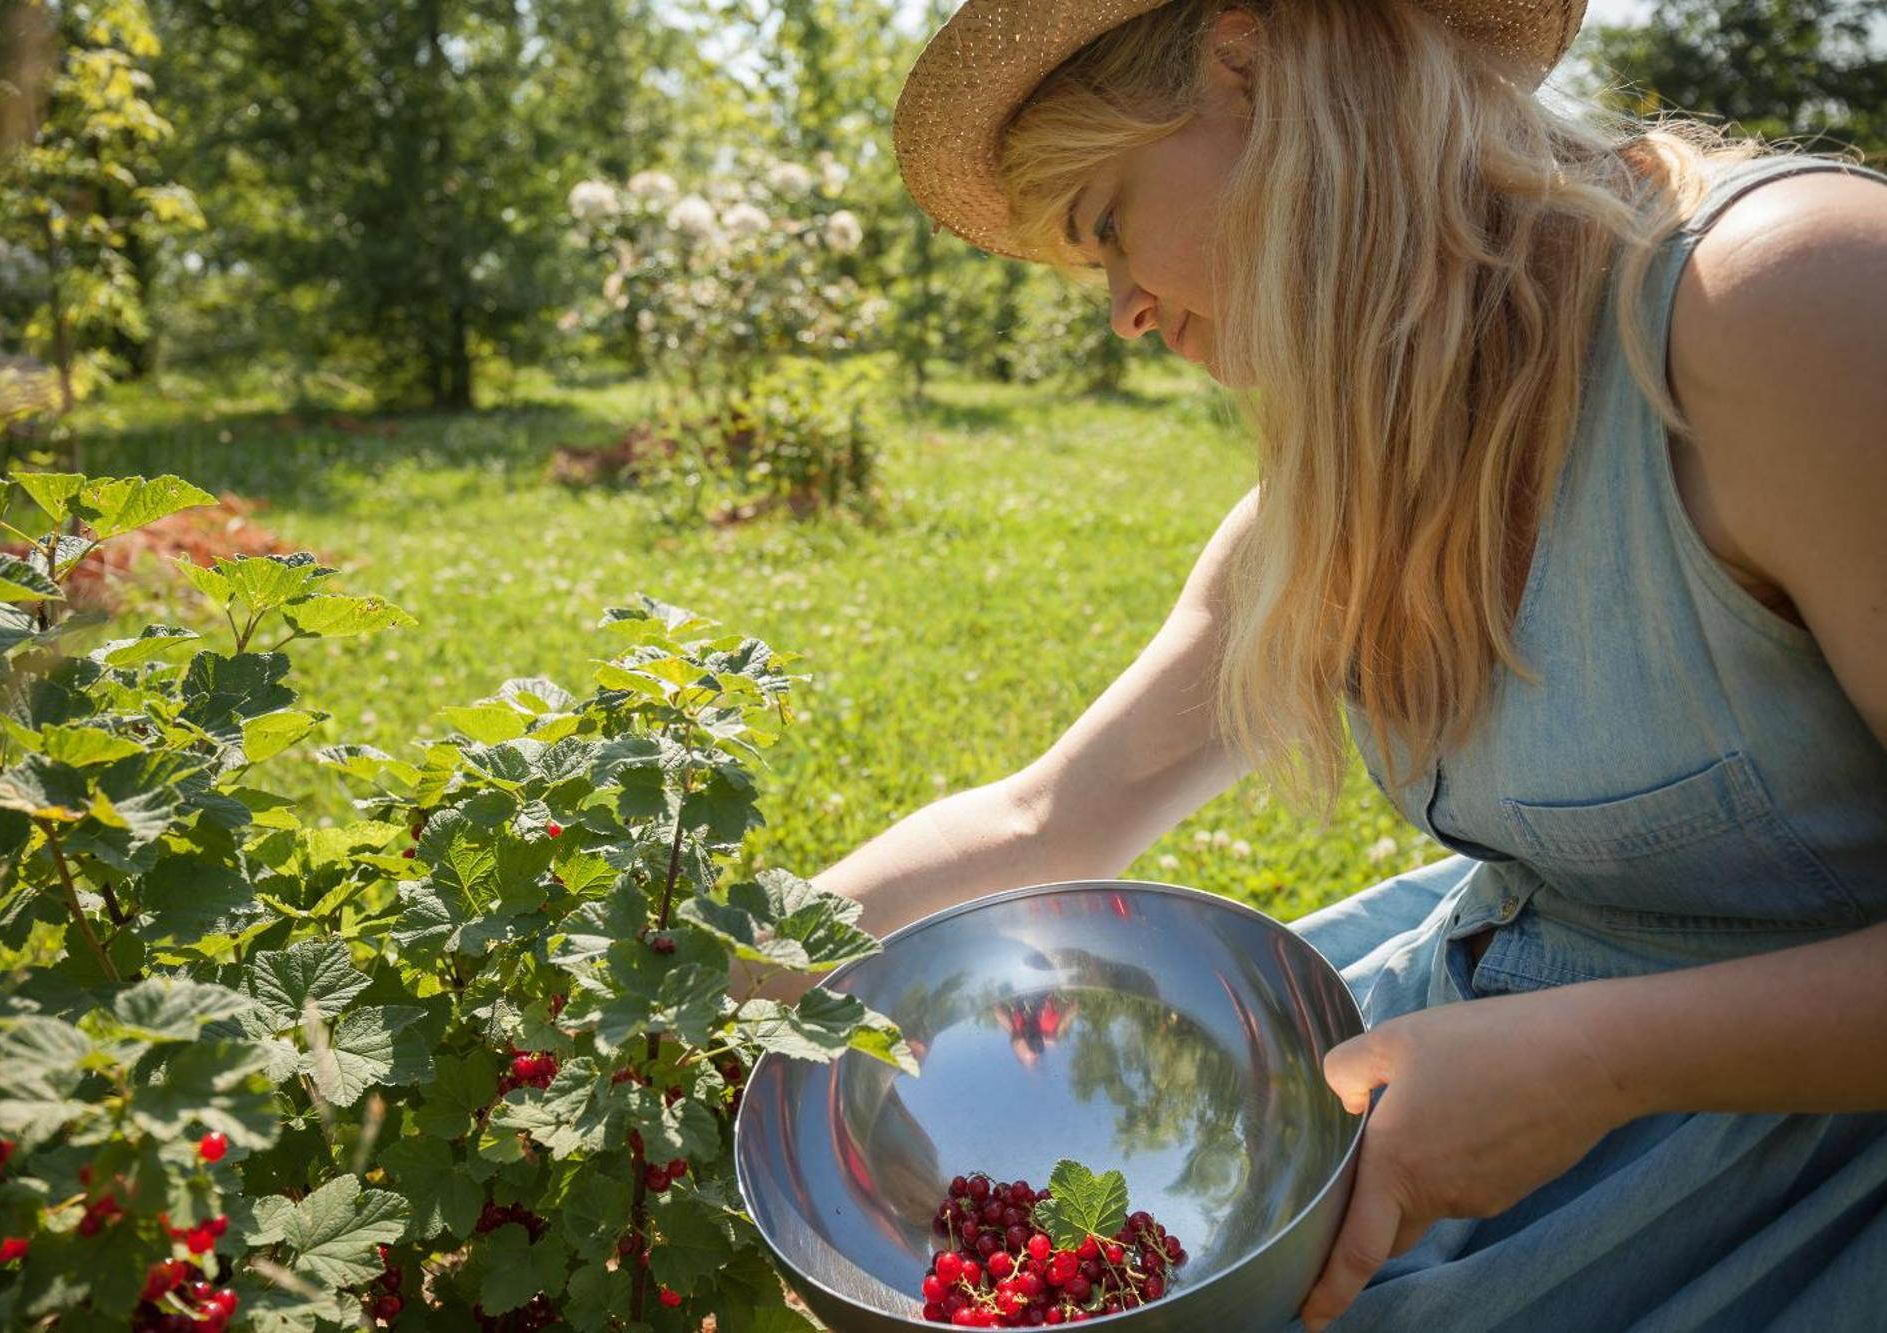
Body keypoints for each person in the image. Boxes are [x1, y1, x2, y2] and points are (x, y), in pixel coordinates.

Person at [778, 0, 1887, 1328]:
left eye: (1109, 224)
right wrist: (685, 987)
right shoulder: (1353, 482)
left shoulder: (1781, 305)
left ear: (1249, 70)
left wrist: (1596, 1065)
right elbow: (1047, 815)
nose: (1125, 312)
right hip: (1473, 1069)